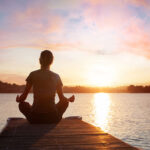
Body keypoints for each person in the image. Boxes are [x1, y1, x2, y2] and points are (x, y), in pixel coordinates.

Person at [16, 50, 75, 124]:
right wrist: (69, 99)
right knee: (65, 103)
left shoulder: (33, 74)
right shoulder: (56, 76)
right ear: (52, 61)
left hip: (35, 118)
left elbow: (23, 98)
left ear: (39, 60)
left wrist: (18, 99)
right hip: (53, 118)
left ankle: (35, 115)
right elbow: (62, 99)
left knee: (22, 105)